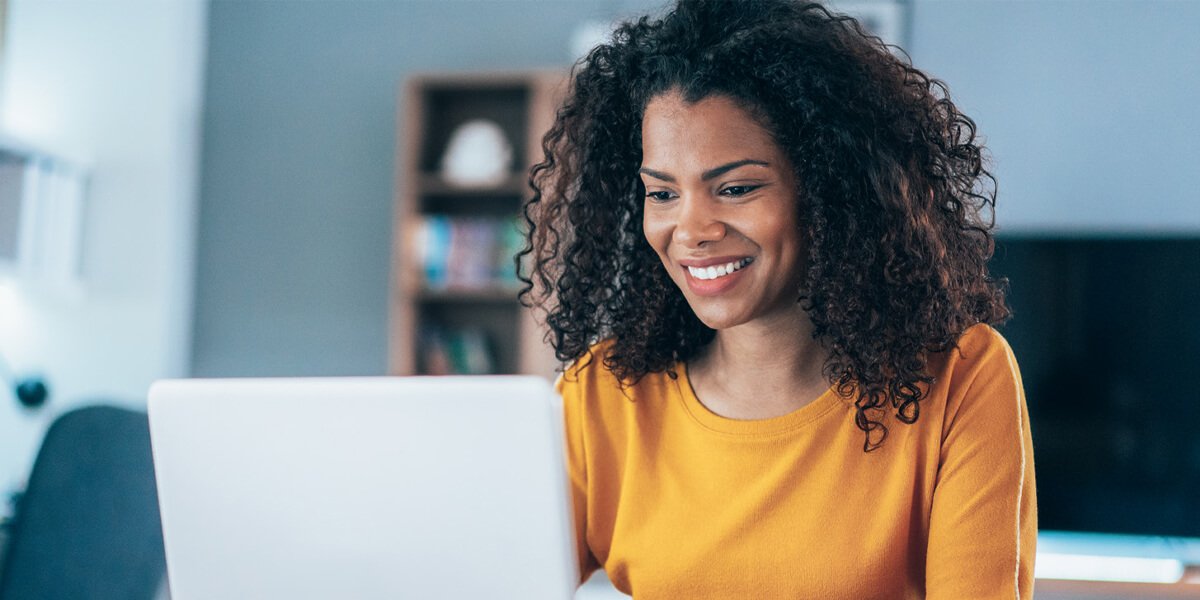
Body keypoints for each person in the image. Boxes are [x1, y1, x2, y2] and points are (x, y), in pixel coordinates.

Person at [518, 1, 1037, 597]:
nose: (689, 230)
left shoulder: (959, 377)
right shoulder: (603, 395)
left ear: (826, 190)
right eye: (662, 194)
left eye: (735, 188)